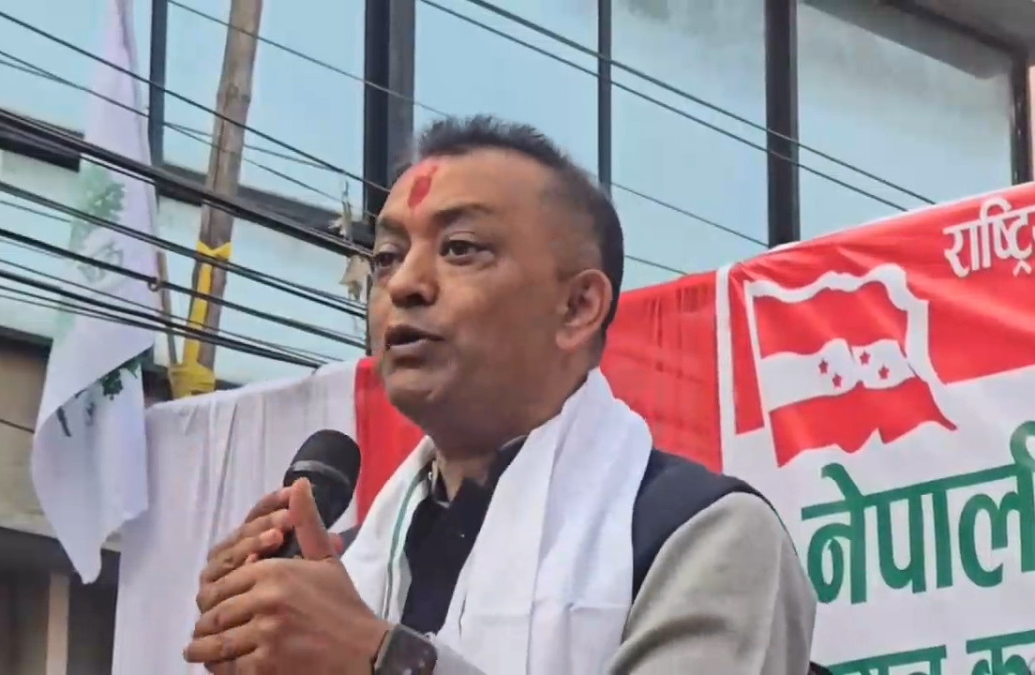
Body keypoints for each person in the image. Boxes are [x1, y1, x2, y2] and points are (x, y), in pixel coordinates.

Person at [183, 116, 817, 674]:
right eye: (387, 256)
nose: (404, 284)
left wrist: (380, 660)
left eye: (460, 249)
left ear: (578, 307)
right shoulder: (350, 567)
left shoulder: (701, 535)